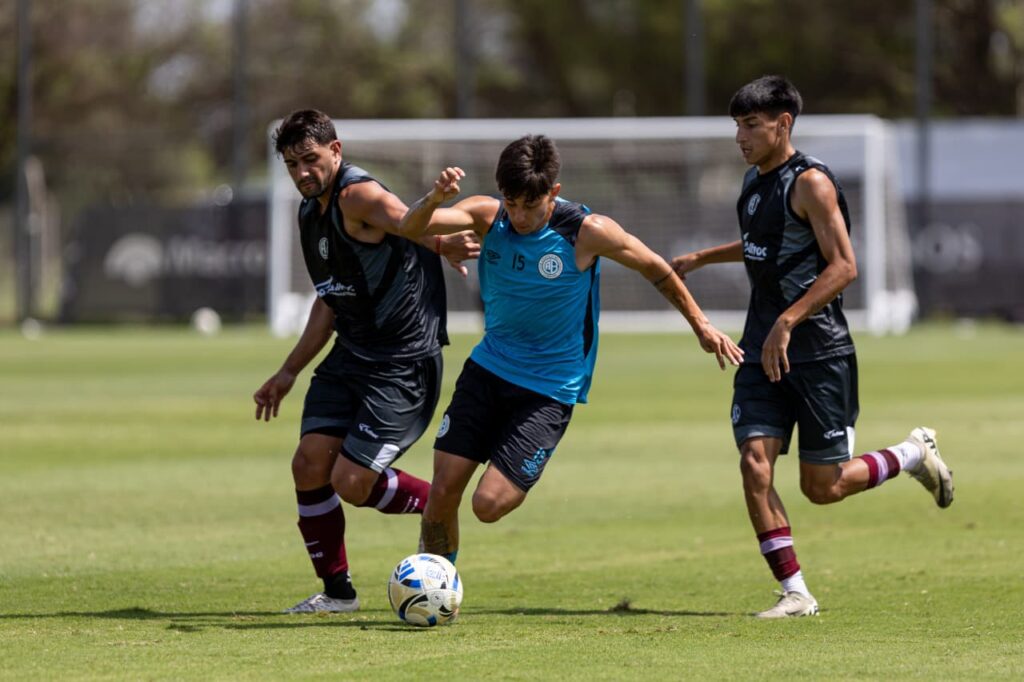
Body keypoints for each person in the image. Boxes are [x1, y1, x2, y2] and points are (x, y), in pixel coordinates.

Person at [670, 76, 954, 618]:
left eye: (751, 125)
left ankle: (913, 453)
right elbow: (763, 248)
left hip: (819, 352)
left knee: (823, 488)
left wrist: (789, 320)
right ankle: (795, 592)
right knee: (755, 464)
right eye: (737, 126)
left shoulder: (812, 183)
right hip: (760, 351)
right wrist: (703, 257)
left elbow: (844, 266)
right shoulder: (753, 186)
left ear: (784, 124)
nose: (741, 136)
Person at [397, 134, 745, 565]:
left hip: (548, 388)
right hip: (488, 368)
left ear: (554, 192)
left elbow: (654, 267)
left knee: (487, 505)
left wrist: (702, 325)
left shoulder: (586, 232)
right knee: (444, 488)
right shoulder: (488, 216)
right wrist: (435, 198)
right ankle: (436, 584)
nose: (519, 215)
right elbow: (410, 227)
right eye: (511, 202)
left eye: (530, 204)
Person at [253, 109, 480, 613]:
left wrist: (439, 235)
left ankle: (438, 505)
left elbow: (402, 220)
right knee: (309, 464)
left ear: (336, 150)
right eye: (292, 164)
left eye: (310, 159)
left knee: (351, 482)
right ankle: (338, 595)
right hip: (351, 353)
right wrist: (288, 371)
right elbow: (329, 297)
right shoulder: (310, 211)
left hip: (402, 362)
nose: (302, 172)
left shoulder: (359, 194)